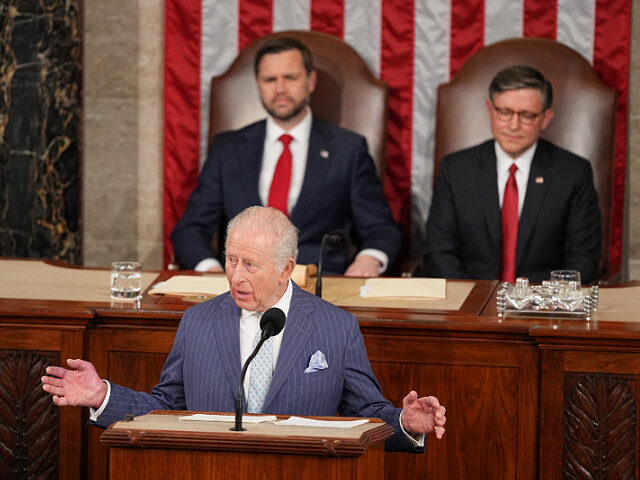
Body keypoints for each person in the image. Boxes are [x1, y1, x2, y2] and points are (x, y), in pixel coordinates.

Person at [42, 206, 445, 452]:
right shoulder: (199, 321)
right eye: (231, 259)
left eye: (250, 264)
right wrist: (102, 395)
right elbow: (167, 408)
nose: (235, 275)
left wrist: (406, 423)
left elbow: (365, 416)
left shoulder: (333, 326)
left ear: (286, 268)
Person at [171, 36, 401, 277]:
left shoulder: (348, 149)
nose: (280, 88)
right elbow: (190, 229)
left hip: (319, 285)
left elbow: (381, 228)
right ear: (258, 84)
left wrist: (369, 259)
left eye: (290, 77)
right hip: (240, 285)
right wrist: (212, 271)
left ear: (311, 81)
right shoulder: (227, 148)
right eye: (270, 79)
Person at [420, 65, 601, 284]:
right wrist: (473, 302)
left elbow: (583, 258)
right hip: (471, 306)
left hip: (543, 308)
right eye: (504, 112)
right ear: (490, 109)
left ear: (546, 118)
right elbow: (439, 251)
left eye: (526, 115)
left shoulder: (573, 173)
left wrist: (540, 303)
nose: (513, 125)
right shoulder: (456, 169)